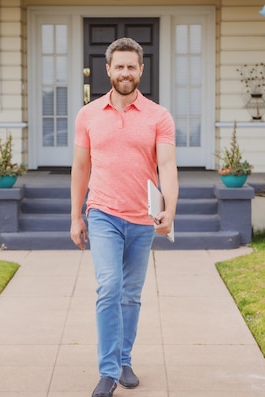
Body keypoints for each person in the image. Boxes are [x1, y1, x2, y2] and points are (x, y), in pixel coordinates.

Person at [70, 37, 178, 397]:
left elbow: (168, 167)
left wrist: (169, 211)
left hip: (142, 217)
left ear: (141, 70)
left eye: (132, 66)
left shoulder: (159, 116)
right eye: (119, 66)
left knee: (131, 294)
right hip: (102, 213)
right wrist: (76, 215)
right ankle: (108, 372)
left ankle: (124, 360)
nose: (126, 73)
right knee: (109, 288)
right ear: (108, 70)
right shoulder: (87, 115)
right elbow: (81, 167)